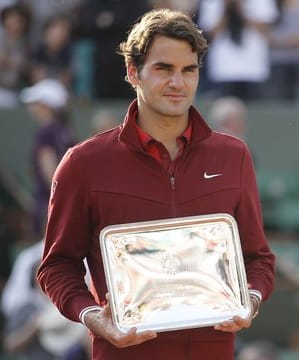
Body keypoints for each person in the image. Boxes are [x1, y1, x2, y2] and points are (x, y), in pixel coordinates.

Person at [36, 8, 274, 360]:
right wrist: (92, 316)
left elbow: (258, 259)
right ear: (133, 72)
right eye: (164, 69)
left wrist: (250, 299)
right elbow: (56, 267)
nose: (177, 82)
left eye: (188, 70)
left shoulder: (234, 155)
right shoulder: (82, 163)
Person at [20, 78, 76, 235]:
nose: (32, 108)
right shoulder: (66, 131)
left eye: (36, 103)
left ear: (45, 106)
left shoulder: (45, 132)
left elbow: (49, 172)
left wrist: (56, 204)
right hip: (65, 205)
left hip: (50, 206)